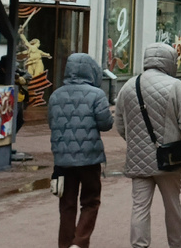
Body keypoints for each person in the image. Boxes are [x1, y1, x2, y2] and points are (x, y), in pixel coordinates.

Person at [114, 43, 181, 248]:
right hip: (170, 160)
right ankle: (177, 245)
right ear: (169, 61)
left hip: (138, 159)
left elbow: (120, 124)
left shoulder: (128, 86)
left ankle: (139, 246)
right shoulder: (176, 86)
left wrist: (136, 143)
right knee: (173, 206)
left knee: (139, 207)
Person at [48, 53, 113, 248]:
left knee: (67, 204)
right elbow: (106, 124)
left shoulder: (55, 95)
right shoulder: (96, 94)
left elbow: (51, 123)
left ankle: (65, 244)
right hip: (90, 158)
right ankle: (80, 242)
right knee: (91, 201)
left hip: (63, 160)